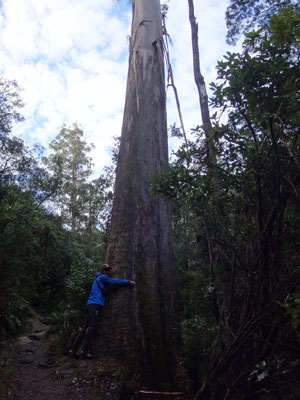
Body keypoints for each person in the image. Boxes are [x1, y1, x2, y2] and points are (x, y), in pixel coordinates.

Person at [68, 263, 135, 359]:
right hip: (95, 305)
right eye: (105, 270)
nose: (107, 271)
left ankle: (73, 350)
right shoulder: (103, 278)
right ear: (102, 270)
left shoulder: (97, 278)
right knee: (91, 327)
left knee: (84, 328)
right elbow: (114, 281)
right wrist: (128, 282)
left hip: (90, 304)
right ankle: (84, 352)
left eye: (108, 270)